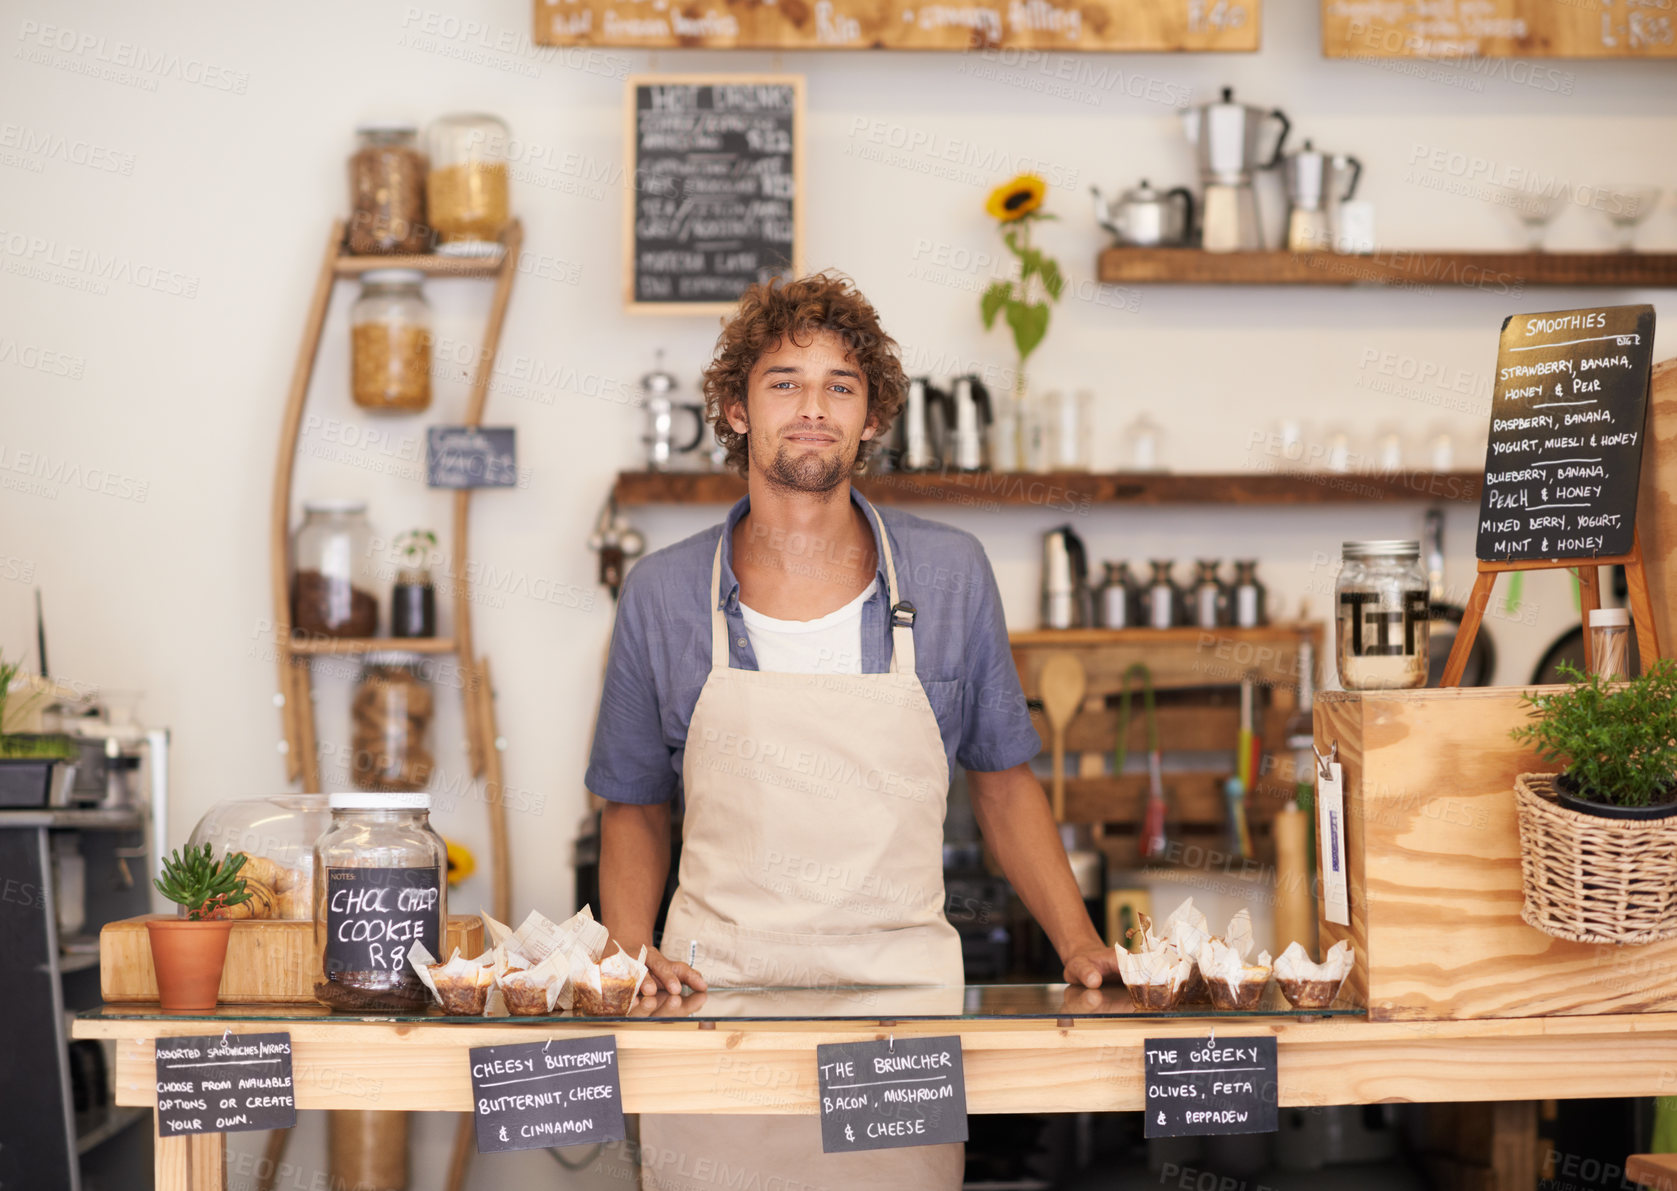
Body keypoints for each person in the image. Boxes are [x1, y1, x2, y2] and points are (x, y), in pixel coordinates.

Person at [585, 272, 1118, 1190]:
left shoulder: (949, 575)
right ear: (734, 407)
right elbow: (631, 805)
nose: (812, 407)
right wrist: (631, 960)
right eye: (784, 381)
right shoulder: (662, 593)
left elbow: (1002, 779)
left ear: (872, 417)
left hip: (899, 1006)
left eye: (841, 385)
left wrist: (1079, 945)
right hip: (716, 1003)